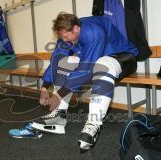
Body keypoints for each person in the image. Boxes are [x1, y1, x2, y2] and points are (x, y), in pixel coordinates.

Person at [35, 12, 138, 152]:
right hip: (96, 58)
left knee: (102, 64)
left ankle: (93, 125)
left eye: (66, 37)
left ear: (76, 29)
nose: (63, 40)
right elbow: (57, 60)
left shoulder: (94, 32)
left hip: (124, 57)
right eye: (61, 37)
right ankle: (59, 115)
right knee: (66, 62)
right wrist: (44, 88)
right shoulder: (66, 34)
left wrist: (59, 94)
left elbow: (87, 70)